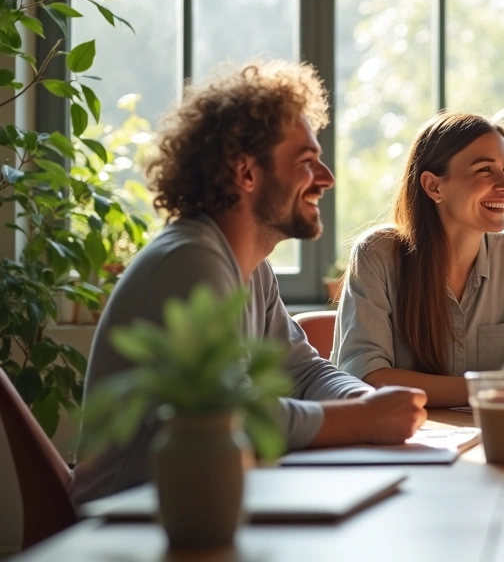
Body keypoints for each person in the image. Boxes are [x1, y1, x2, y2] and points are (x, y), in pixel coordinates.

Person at [73, 62, 428, 504]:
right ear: (245, 173)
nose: (327, 178)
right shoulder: (190, 260)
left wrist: (361, 397)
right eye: (306, 162)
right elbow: (228, 416)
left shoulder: (249, 267)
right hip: (133, 527)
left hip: (201, 507)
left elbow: (301, 370)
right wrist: (365, 419)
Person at [331, 111, 504, 408]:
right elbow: (367, 378)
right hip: (403, 442)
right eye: (485, 170)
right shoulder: (377, 254)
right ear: (434, 186)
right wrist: (497, 388)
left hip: (493, 438)